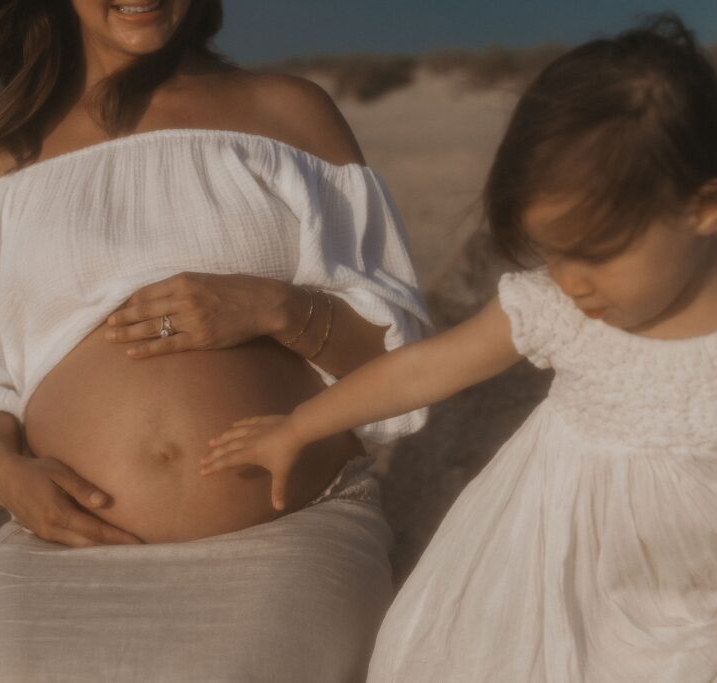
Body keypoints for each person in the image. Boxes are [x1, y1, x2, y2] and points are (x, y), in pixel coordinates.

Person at [0, 0, 429, 680]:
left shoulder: (290, 112)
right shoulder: (12, 144)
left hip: (281, 535)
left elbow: (402, 366)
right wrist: (4, 468)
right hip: (65, 551)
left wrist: (278, 308)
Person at [202, 15, 717, 681]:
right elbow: (426, 368)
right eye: (552, 254)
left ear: (702, 208)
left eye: (595, 252)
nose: (572, 279)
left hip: (692, 582)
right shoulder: (559, 308)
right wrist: (302, 424)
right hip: (552, 570)